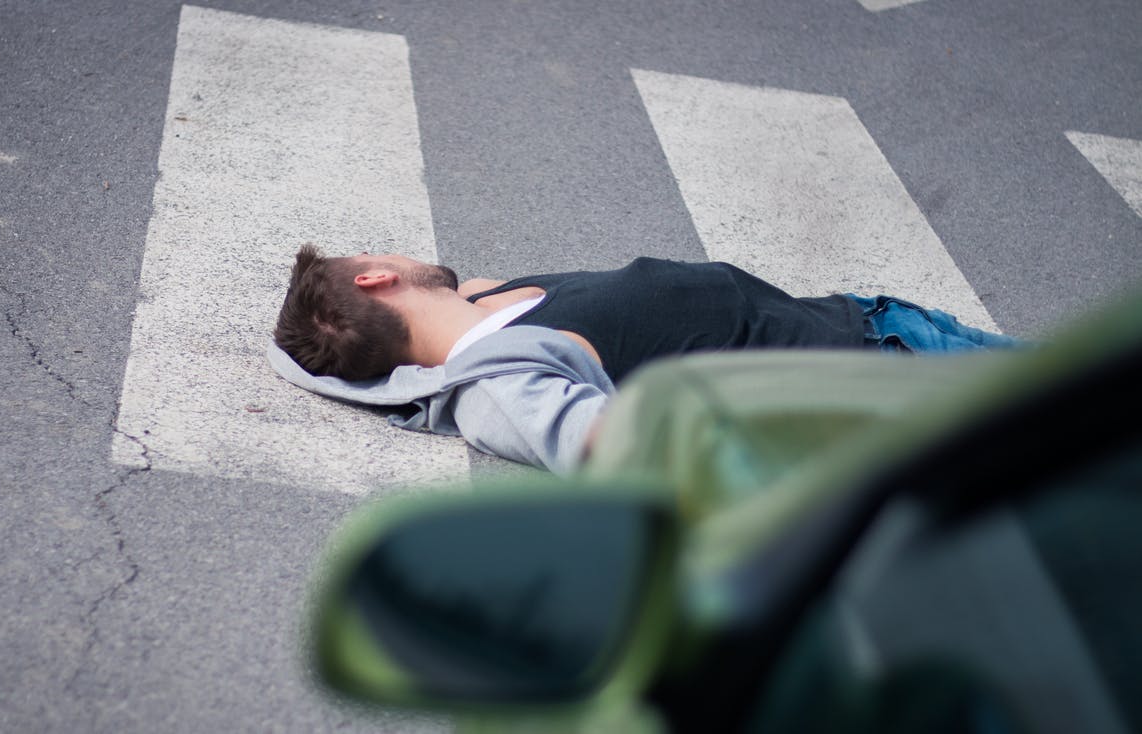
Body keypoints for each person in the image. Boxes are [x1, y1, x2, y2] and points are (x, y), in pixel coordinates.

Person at [268, 245, 1021, 473]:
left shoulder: (488, 307)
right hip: (892, 385)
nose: (396, 247)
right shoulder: (497, 381)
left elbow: (313, 349)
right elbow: (611, 443)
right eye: (373, 252)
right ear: (374, 278)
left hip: (885, 324)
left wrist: (321, 346)